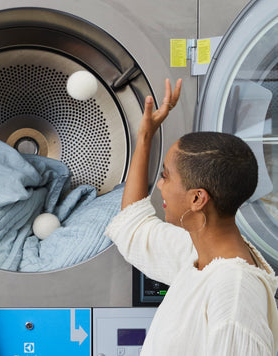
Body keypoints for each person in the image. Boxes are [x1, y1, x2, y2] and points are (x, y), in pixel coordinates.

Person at [105, 79, 278, 355]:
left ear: (197, 199)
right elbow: (133, 227)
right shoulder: (198, 255)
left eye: (165, 176)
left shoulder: (234, 295)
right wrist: (145, 137)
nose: (159, 185)